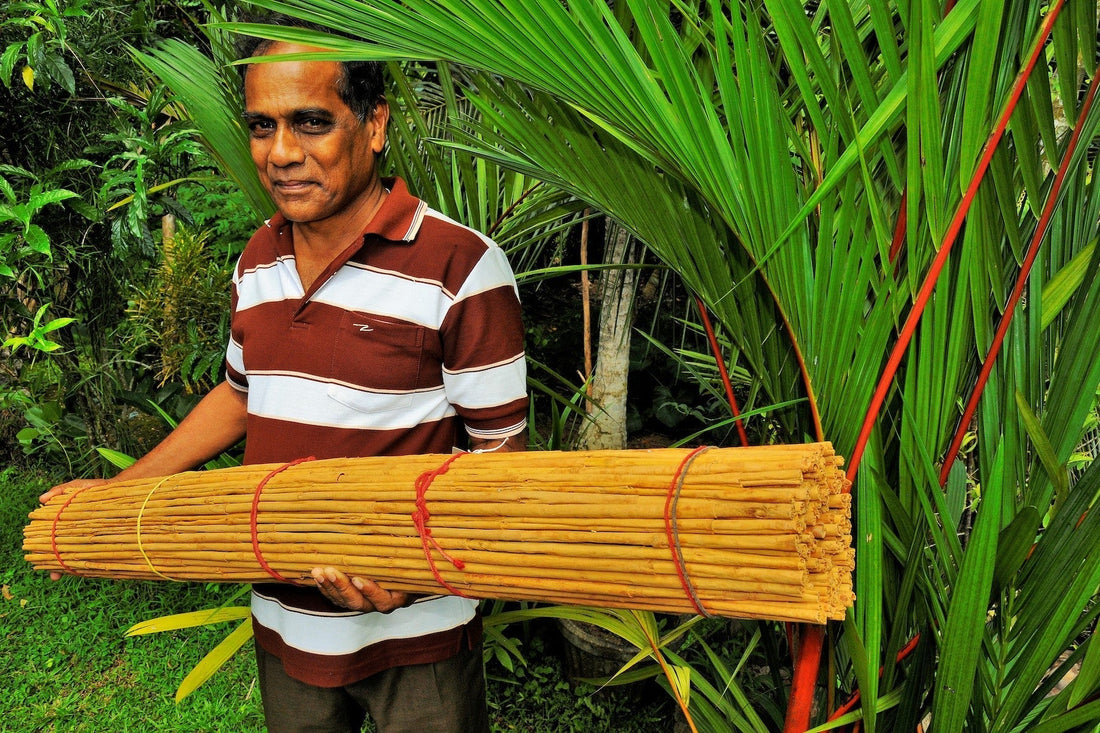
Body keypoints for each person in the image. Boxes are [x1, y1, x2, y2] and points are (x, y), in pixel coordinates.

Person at [41, 18, 528, 733]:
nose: (281, 153)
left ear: (374, 125)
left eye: (310, 122)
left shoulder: (460, 265)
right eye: (261, 126)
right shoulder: (256, 260)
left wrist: (414, 573)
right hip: (285, 621)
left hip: (418, 631)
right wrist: (117, 495)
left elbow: (501, 460)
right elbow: (242, 394)